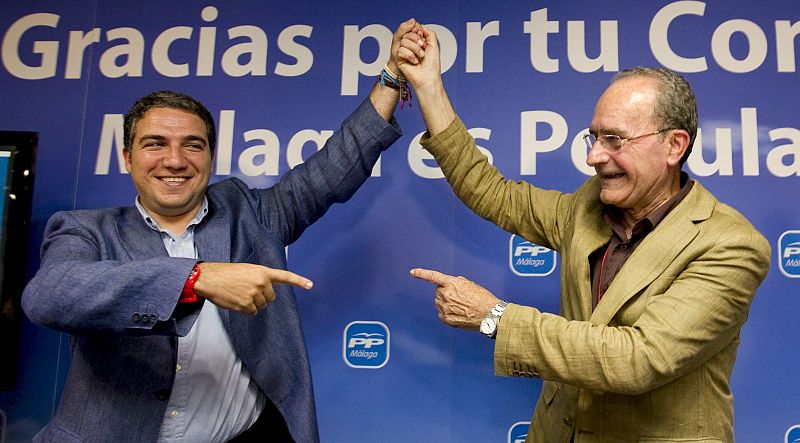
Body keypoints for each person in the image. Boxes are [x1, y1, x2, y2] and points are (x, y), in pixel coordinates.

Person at [21, 20, 420, 443]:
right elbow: (49, 294)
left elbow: (334, 166)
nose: (175, 160)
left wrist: (391, 77)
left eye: (192, 145)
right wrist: (195, 279)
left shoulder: (251, 214)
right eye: (155, 144)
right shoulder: (87, 230)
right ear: (127, 157)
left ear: (210, 157)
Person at [398, 23, 771, 442]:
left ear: (674, 145)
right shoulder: (588, 205)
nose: (594, 156)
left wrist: (494, 316)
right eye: (593, 137)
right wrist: (428, 87)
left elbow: (640, 359)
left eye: (615, 139)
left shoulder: (730, 244)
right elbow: (491, 192)